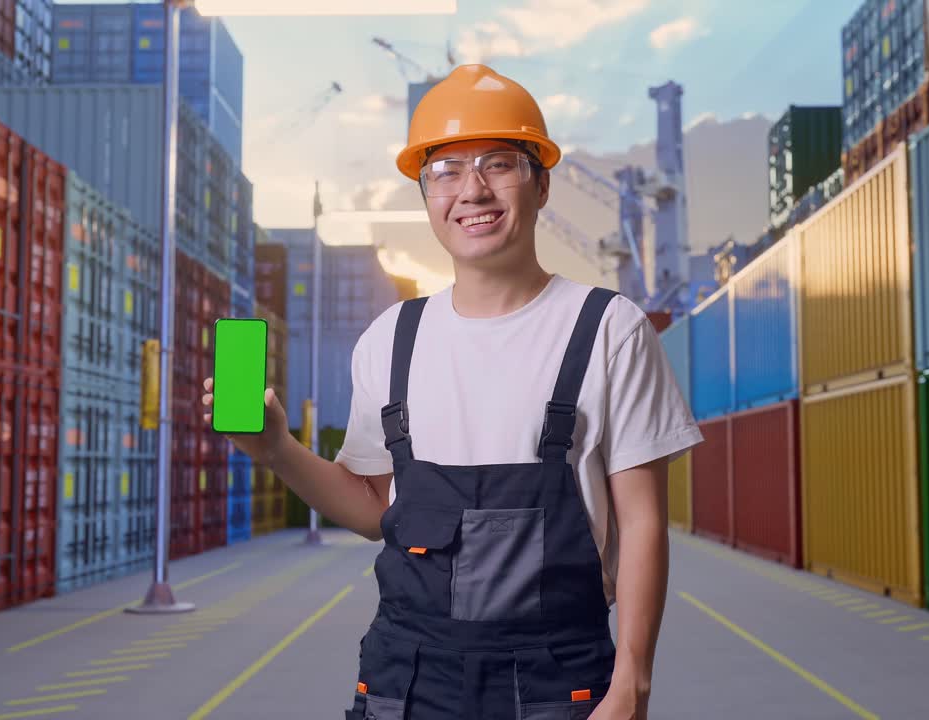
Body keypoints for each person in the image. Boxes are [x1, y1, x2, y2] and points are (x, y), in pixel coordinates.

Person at [202, 63, 702, 720]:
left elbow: (641, 523)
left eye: (500, 164)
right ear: (425, 193)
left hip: (561, 682)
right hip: (407, 679)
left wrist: (631, 685)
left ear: (542, 182)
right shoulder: (390, 340)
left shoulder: (609, 329)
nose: (473, 189)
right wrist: (275, 449)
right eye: (445, 170)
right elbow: (372, 508)